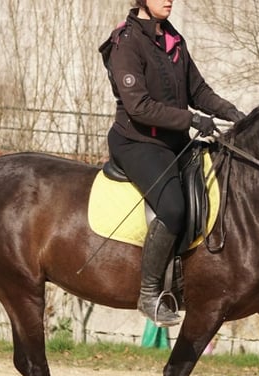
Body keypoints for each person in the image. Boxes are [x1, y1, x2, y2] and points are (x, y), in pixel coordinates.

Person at [100, 0, 245, 327]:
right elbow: (139, 107)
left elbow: (199, 90)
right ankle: (149, 294)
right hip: (138, 143)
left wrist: (234, 113)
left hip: (174, 142)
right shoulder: (125, 43)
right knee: (173, 208)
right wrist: (191, 119)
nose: (169, 0)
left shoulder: (173, 39)